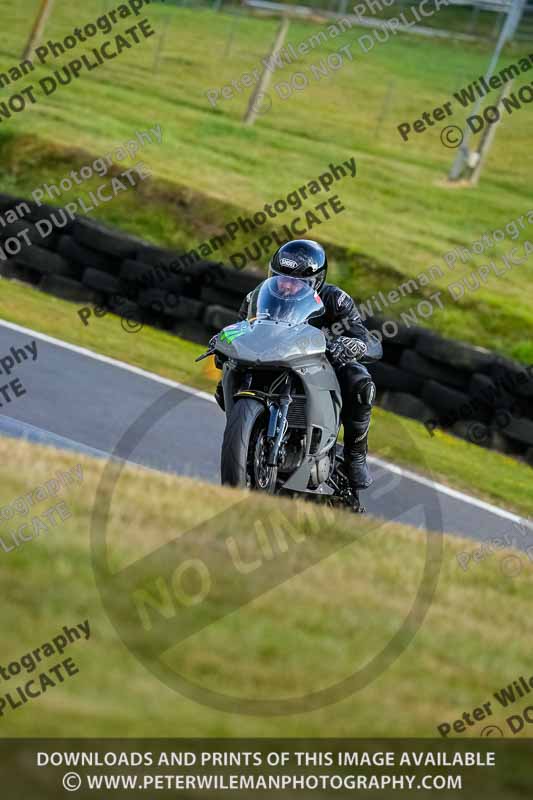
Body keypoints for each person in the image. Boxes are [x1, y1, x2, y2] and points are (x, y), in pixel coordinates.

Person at [215, 239, 383, 496]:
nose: (287, 285)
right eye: (281, 278)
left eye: (297, 282)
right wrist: (226, 346)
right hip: (267, 358)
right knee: (224, 379)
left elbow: (366, 340)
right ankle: (248, 438)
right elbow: (243, 327)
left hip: (319, 363)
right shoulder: (257, 296)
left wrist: (354, 346)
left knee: (361, 384)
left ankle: (355, 457)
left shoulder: (336, 300)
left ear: (317, 280)